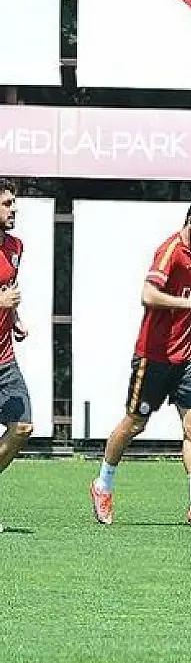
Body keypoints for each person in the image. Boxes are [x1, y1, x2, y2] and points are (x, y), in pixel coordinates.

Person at [89, 195, 191, 526]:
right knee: (135, 423)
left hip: (186, 355)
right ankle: (102, 484)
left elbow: (184, 299)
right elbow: (148, 295)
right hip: (154, 356)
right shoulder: (171, 251)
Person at [0, 179, 33, 531]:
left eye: (14, 203)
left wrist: (16, 318)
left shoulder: (15, 246)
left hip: (5, 358)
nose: (14, 208)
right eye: (7, 203)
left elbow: (7, 292)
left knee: (22, 426)